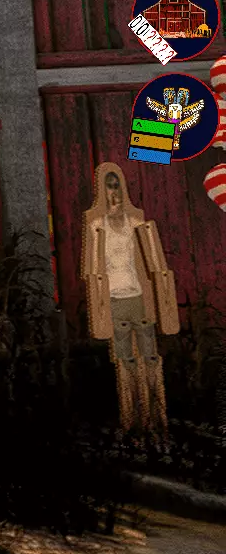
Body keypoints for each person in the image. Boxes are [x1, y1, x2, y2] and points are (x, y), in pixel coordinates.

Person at [80, 163, 180, 436]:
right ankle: (133, 421)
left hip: (137, 297)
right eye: (109, 187)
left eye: (117, 186)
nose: (114, 193)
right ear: (102, 191)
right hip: (114, 300)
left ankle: (158, 419)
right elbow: (91, 270)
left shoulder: (136, 223)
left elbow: (157, 262)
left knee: (150, 356)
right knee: (125, 361)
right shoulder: (96, 225)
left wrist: (163, 296)